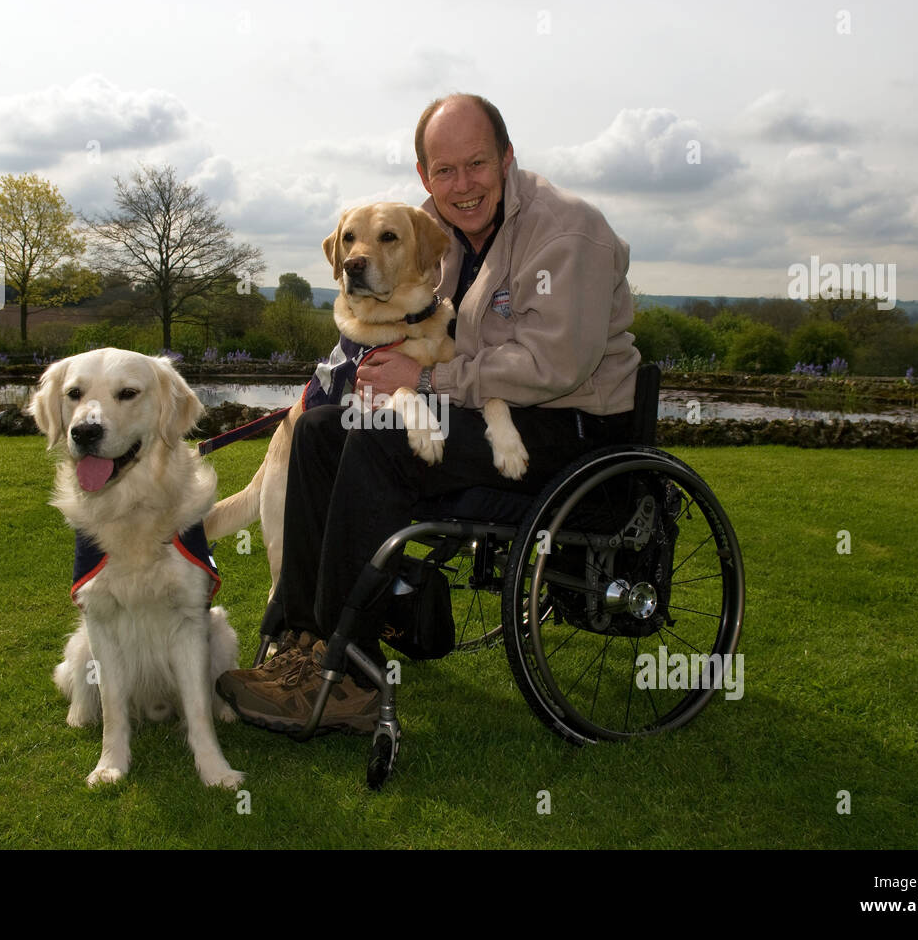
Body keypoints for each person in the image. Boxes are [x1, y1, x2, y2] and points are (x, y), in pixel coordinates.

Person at [215, 93, 641, 734]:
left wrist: (427, 377)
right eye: (444, 171)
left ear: (507, 157)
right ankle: (301, 642)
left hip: (574, 431)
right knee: (318, 431)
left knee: (381, 440)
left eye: (476, 165)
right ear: (425, 177)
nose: (462, 185)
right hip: (478, 413)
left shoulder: (566, 232)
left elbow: (556, 367)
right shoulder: (434, 231)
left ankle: (349, 675)